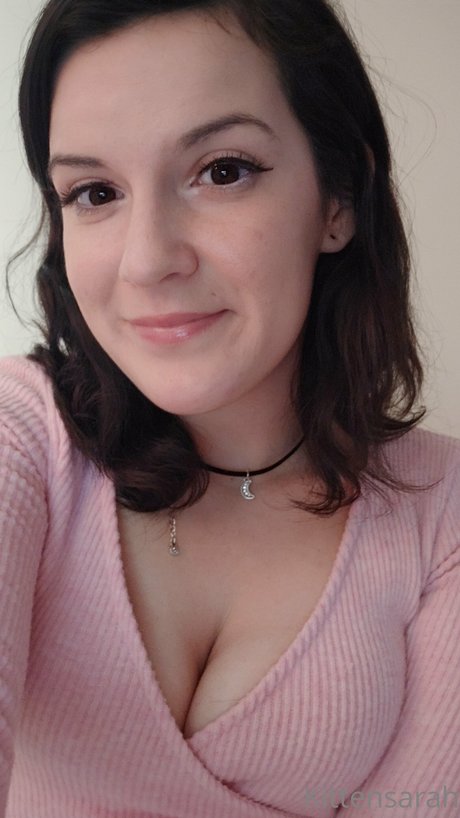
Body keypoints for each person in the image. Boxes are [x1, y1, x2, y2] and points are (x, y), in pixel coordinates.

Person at [1, 0, 459, 816]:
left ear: (338, 200)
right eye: (94, 191)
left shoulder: (442, 511)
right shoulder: (19, 433)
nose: (147, 261)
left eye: (222, 171)